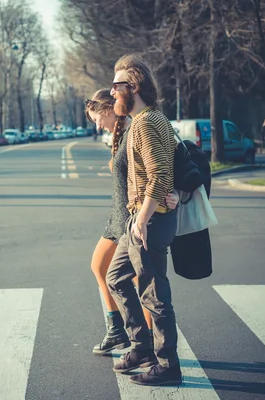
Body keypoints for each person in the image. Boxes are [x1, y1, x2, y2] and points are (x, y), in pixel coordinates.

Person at [106, 54, 182, 386]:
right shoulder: (150, 120)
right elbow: (173, 164)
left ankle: (168, 364)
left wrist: (142, 220)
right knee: (116, 278)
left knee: (154, 294)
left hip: (148, 221)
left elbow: (161, 173)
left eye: (116, 86)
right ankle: (142, 347)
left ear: (133, 87)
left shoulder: (147, 122)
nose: (111, 94)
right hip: (142, 219)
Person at [85, 89, 179, 356]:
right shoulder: (121, 134)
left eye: (97, 118)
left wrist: (175, 192)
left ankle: (145, 340)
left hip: (135, 218)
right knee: (102, 269)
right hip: (119, 217)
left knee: (143, 284)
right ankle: (121, 332)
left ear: (106, 110)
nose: (97, 124)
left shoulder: (139, 127)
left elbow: (165, 164)